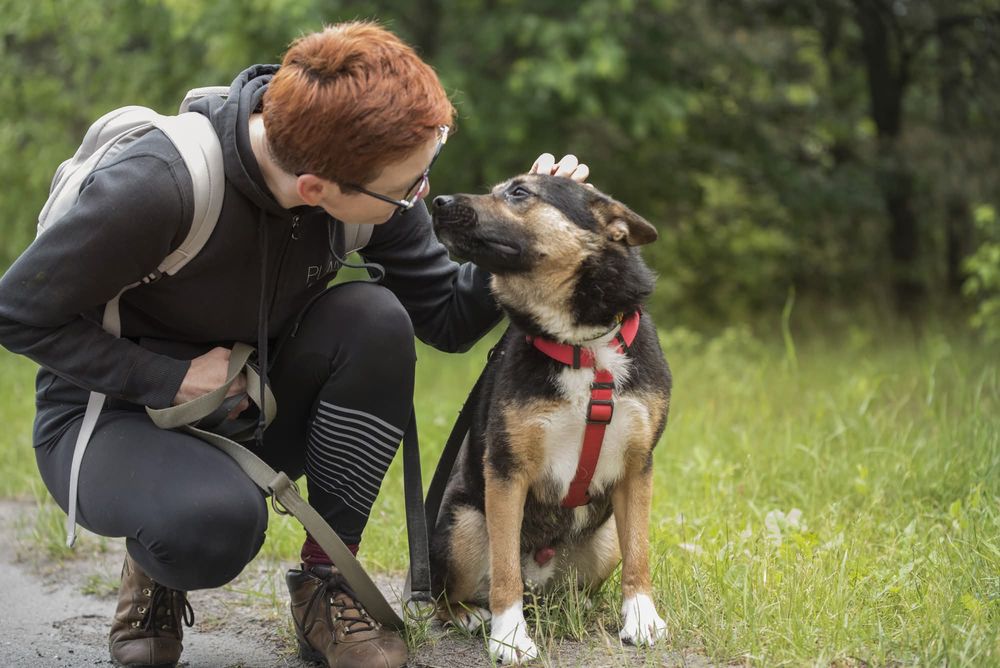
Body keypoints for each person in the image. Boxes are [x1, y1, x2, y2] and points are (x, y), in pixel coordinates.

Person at [0, 21, 589, 668]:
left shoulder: (364, 181)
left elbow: (447, 318)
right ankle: (155, 563)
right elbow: (16, 313)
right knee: (217, 527)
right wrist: (165, 378)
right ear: (315, 189)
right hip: (108, 419)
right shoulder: (155, 187)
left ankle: (327, 589)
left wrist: (526, 231)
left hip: (246, 406)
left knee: (376, 318)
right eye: (408, 187)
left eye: (430, 163)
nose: (419, 194)